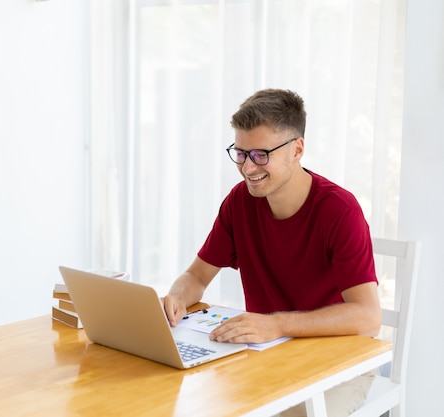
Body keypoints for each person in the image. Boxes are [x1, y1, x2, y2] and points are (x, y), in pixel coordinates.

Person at [162, 89, 381, 417]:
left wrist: (278, 325)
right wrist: (176, 298)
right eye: (240, 153)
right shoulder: (239, 202)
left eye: (261, 155)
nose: (248, 168)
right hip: (267, 355)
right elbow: (196, 275)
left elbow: (368, 317)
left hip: (340, 363)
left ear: (297, 149)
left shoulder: (339, 211)